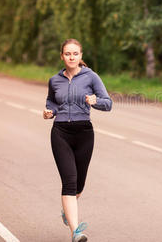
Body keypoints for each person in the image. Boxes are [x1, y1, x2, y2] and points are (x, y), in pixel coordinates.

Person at [43, 38, 112, 242]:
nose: (71, 57)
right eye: (67, 54)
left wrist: (95, 101)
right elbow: (52, 101)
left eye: (75, 53)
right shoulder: (54, 80)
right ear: (62, 56)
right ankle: (75, 232)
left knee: (79, 184)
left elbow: (108, 104)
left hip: (84, 133)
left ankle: (68, 209)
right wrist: (49, 112)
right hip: (60, 133)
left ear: (80, 56)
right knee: (69, 182)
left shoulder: (91, 77)